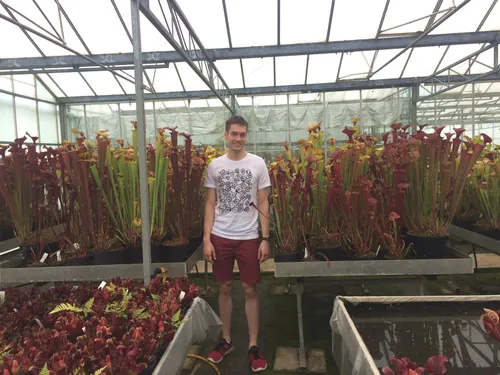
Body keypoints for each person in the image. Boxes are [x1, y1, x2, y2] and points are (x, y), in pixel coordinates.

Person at [203, 115, 271, 372]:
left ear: (246, 136)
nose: (238, 139)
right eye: (234, 134)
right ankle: (227, 339)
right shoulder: (215, 166)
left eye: (243, 135)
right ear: (226, 135)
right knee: (224, 289)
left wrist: (265, 238)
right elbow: (210, 203)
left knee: (250, 289)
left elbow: (263, 202)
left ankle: (253, 345)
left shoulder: (258, 164)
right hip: (221, 235)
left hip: (248, 237)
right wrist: (207, 238)